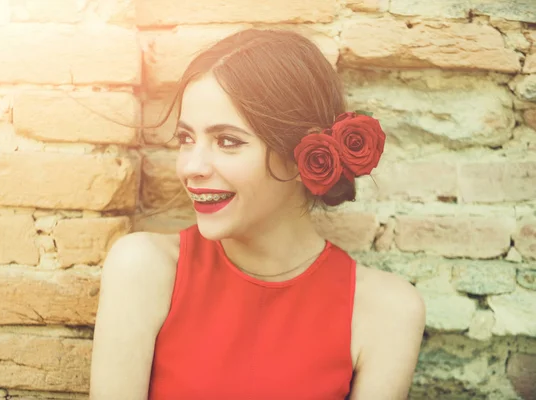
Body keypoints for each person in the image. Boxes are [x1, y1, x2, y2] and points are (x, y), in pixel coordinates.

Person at [89, 29, 426, 400]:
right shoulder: (144, 268)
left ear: (306, 156)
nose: (191, 167)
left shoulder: (387, 310)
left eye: (227, 141)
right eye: (186, 138)